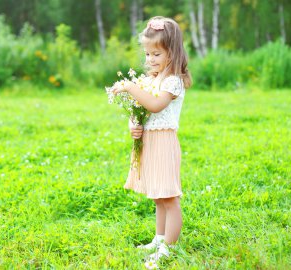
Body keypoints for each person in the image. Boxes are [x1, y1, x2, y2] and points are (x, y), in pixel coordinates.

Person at [113, 16, 192, 264]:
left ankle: (169, 247)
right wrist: (134, 126)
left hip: (165, 143)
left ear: (173, 52)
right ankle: (159, 239)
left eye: (156, 54)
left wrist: (129, 86)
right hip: (150, 142)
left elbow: (156, 106)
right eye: (147, 54)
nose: (150, 60)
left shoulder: (173, 81)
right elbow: (141, 111)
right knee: (158, 196)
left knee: (169, 197)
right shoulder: (150, 79)